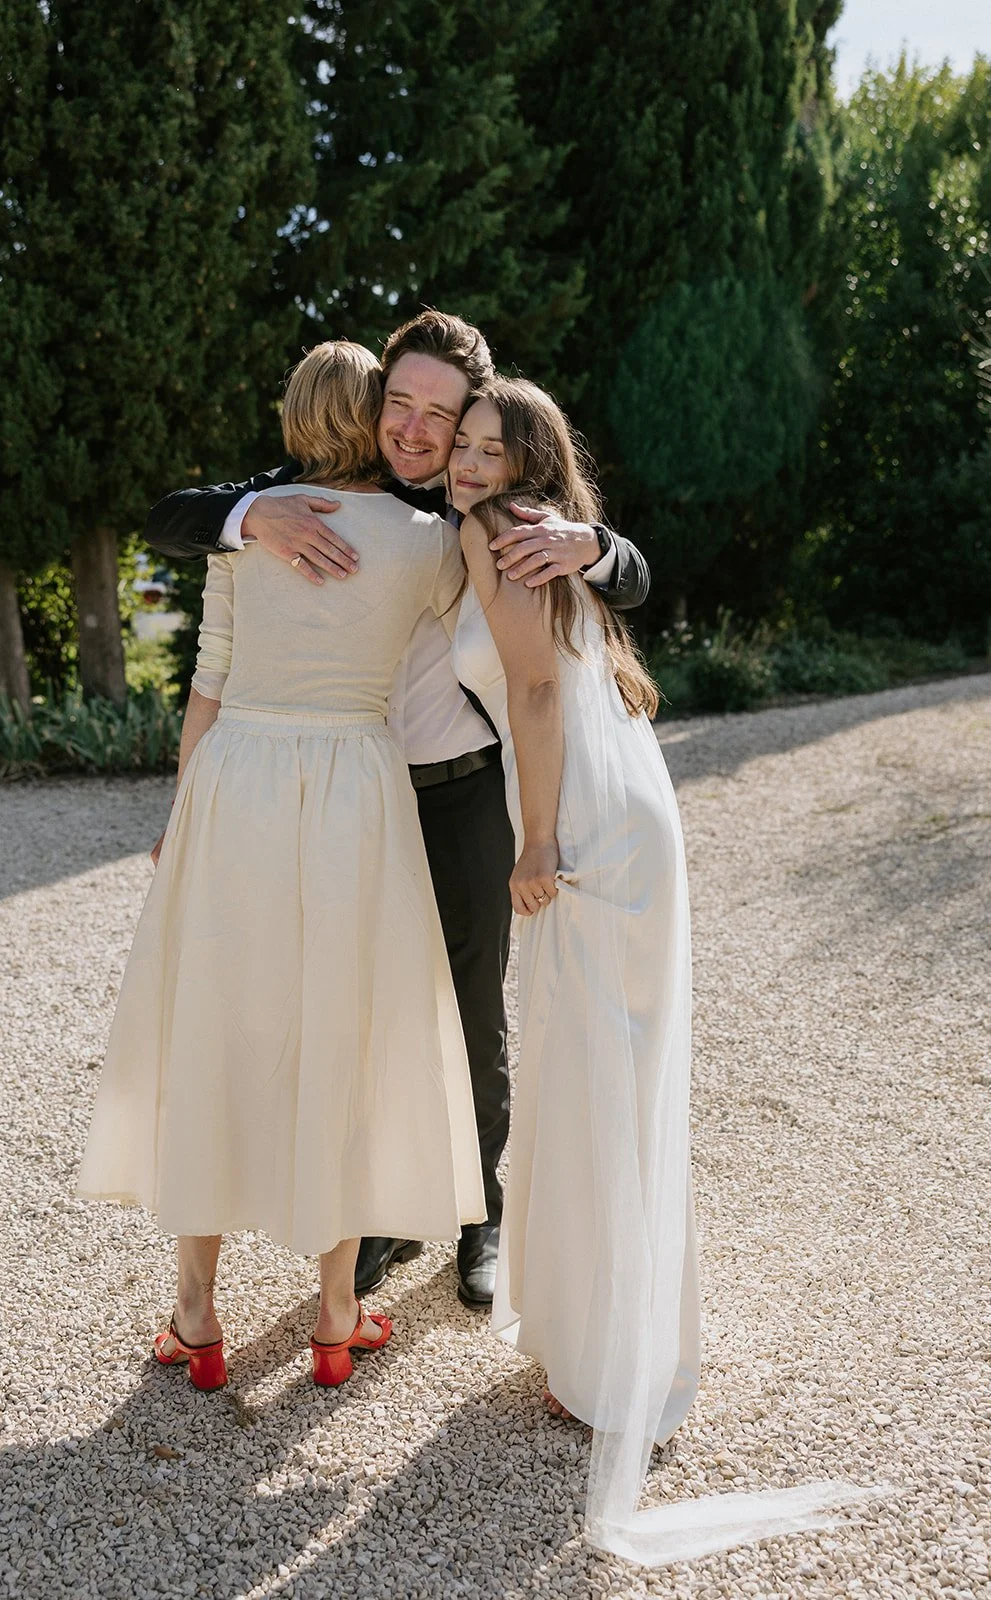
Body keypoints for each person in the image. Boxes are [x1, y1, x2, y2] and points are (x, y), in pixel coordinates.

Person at [448, 378, 880, 1565]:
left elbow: (534, 690)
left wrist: (536, 840)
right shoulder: (530, 534)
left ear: (532, 462)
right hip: (628, 802)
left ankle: (607, 1362)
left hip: (588, 820)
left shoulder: (504, 537)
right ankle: (603, 1335)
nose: (472, 464)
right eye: (466, 445)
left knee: (593, 1072)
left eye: (494, 447)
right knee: (606, 1070)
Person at [143, 309, 651, 1308]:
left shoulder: (495, 508)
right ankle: (375, 1216)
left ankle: (481, 1216)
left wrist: (593, 544)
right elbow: (171, 514)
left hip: (458, 789)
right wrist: (253, 519)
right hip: (345, 803)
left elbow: (629, 578)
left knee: (469, 1009)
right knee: (354, 1016)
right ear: (376, 407)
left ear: (476, 418)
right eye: (401, 405)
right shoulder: (301, 498)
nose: (418, 430)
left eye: (442, 413)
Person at [77, 341, 485, 1389]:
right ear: (369, 417)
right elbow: (484, 628)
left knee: (215, 1028)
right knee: (342, 1033)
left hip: (238, 782)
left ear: (293, 418)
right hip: (356, 784)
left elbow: (206, 686)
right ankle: (339, 1318)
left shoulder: (242, 536)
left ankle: (196, 1312)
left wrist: (183, 814)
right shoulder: (422, 541)